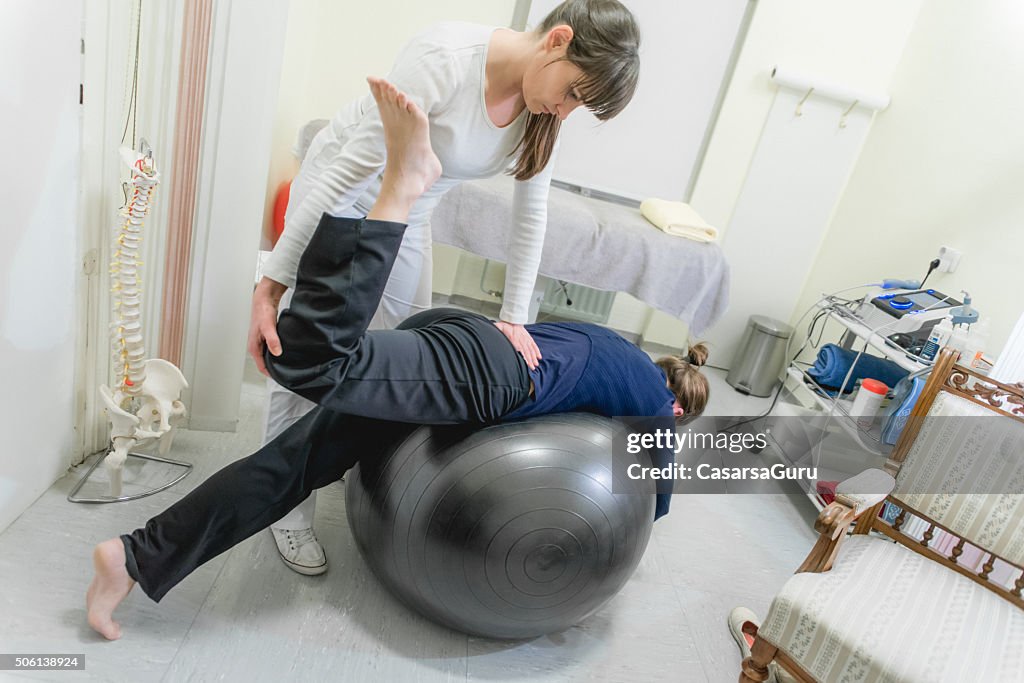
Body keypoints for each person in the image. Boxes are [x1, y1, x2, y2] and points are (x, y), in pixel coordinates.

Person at [86, 78, 707, 640]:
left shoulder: (609, 344)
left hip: (458, 334)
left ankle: (135, 556)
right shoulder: (654, 406)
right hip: (483, 374)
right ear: (676, 402)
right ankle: (395, 190)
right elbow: (659, 491)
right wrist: (655, 491)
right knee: (312, 365)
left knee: (293, 463)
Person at [252, 0, 642, 575]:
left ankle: (355, 463)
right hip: (346, 195)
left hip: (411, 214)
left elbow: (530, 215)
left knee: (404, 346)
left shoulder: (542, 112)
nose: (567, 110)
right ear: (557, 40)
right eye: (574, 93)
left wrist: (513, 317)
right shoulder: (445, 58)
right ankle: (286, 506)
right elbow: (340, 176)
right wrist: (272, 286)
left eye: (580, 105)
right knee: (306, 353)